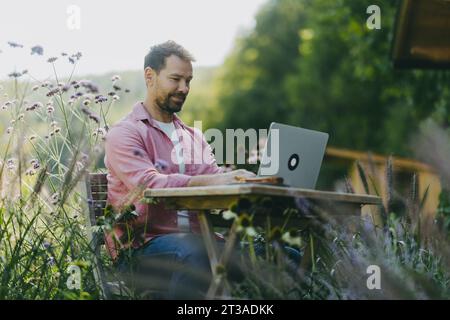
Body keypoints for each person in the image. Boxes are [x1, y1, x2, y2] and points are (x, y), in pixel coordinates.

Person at [104, 40, 257, 299]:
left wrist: (249, 183)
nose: (184, 88)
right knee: (196, 253)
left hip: (203, 242)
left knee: (285, 256)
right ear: (150, 76)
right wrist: (213, 182)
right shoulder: (125, 133)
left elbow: (216, 182)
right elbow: (148, 185)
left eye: (189, 81)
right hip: (143, 248)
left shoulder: (194, 137)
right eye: (176, 79)